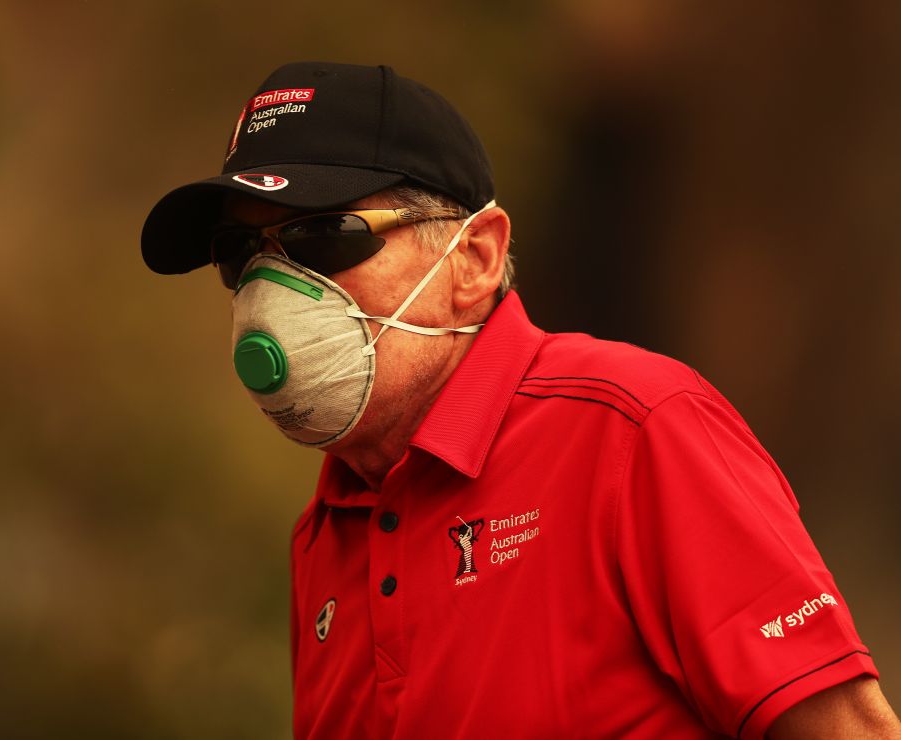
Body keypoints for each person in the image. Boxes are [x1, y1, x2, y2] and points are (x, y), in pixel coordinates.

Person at [140, 62, 900, 739]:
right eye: (242, 255)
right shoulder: (326, 528)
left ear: (474, 257)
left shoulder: (633, 427)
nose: (272, 291)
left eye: (325, 234)